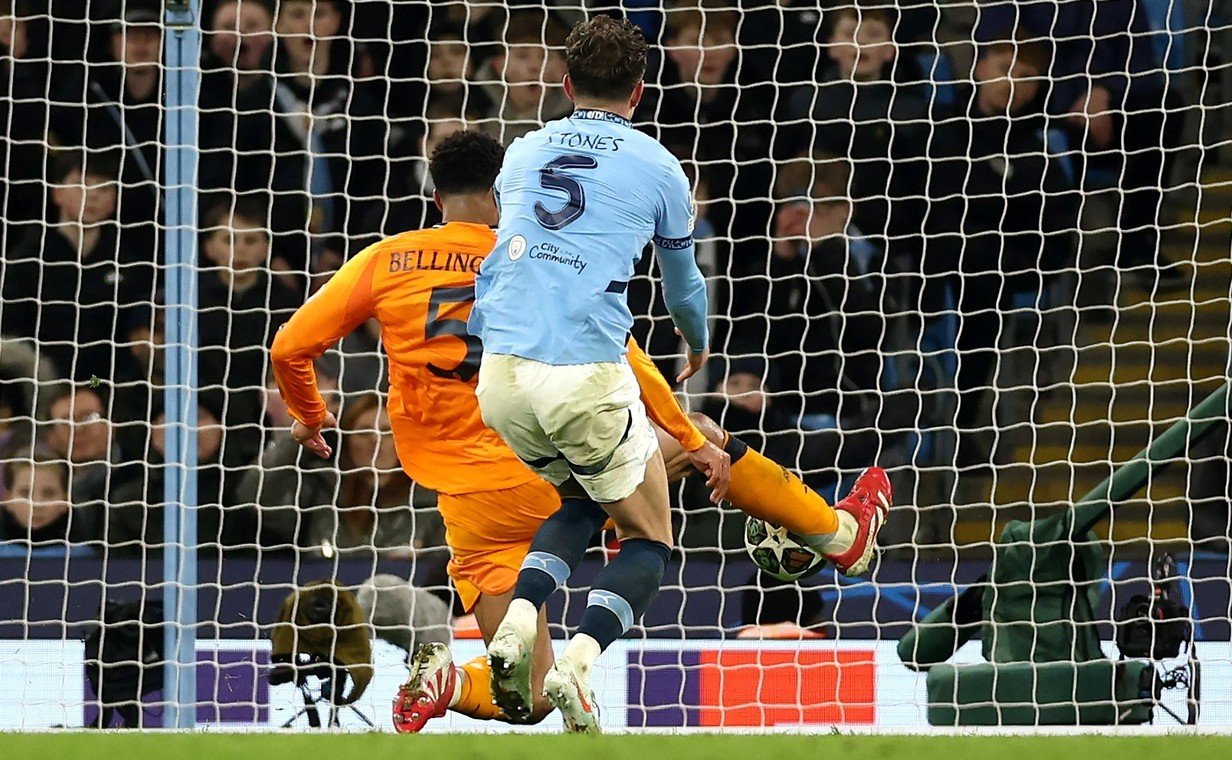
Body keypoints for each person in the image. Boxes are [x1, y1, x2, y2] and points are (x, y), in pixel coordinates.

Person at [272, 130, 888, 735]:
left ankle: (450, 681)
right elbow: (626, 357)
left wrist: (312, 414)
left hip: (469, 502)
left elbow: (290, 347)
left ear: (435, 197)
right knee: (697, 432)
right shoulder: (534, 257)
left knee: (528, 697)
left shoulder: (386, 260)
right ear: (505, 192)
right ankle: (834, 534)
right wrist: (689, 435)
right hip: (552, 463)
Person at [468, 16, 888, 731]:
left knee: (588, 497)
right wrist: (697, 346)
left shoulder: (522, 153)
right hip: (582, 373)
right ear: (640, 90)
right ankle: (575, 662)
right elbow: (684, 286)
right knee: (650, 539)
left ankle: (522, 613)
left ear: (566, 86)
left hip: (501, 381)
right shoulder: (659, 164)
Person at [0, 151, 155, 384]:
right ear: (57, 193)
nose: (92, 196)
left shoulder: (129, 266)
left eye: (103, 189)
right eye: (82, 186)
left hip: (107, 386)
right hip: (39, 385)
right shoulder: (26, 260)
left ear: (114, 200)